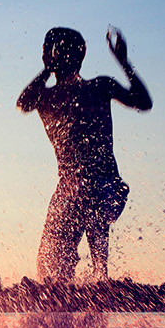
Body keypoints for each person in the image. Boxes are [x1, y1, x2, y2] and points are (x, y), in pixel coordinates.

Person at [16, 26, 152, 284]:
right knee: (49, 265)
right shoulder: (46, 97)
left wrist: (124, 62)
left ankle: (101, 273)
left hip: (105, 187)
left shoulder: (100, 87)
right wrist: (47, 68)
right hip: (68, 190)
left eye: (58, 53)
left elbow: (143, 102)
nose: (58, 58)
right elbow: (23, 103)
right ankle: (70, 295)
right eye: (53, 53)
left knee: (85, 189)